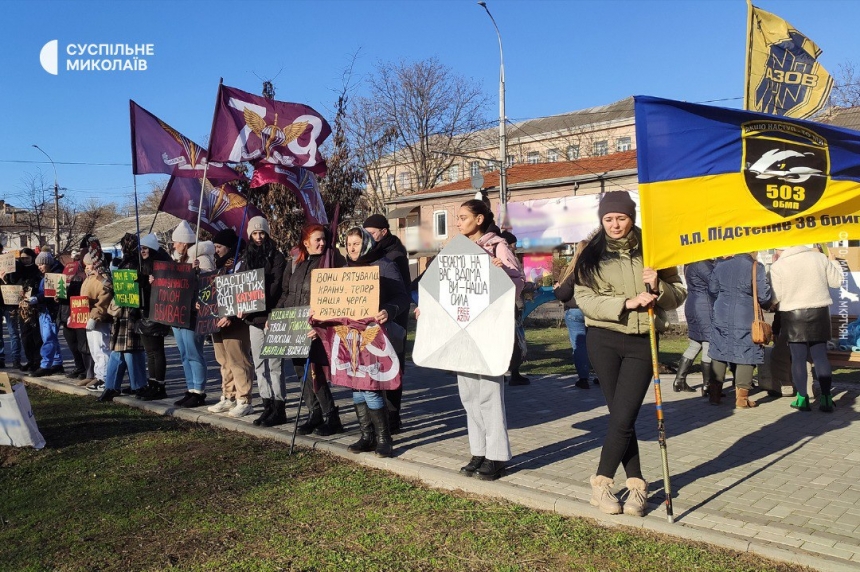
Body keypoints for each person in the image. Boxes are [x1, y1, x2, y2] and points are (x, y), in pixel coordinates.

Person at [573, 191, 686, 517]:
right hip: (604, 340)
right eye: (608, 219)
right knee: (622, 417)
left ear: (631, 217)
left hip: (642, 340)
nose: (615, 224)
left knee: (623, 416)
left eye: (620, 218)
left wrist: (659, 287)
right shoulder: (590, 254)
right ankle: (637, 486)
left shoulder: (655, 249)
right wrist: (626, 303)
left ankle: (601, 483)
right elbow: (585, 299)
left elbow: (678, 294)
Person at [416, 199, 524, 481]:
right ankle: (479, 451)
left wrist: (500, 271)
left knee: (489, 396)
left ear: (479, 219)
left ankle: (497, 456)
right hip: (462, 333)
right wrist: (425, 307)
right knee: (468, 396)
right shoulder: (454, 249)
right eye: (457, 217)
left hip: (488, 333)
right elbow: (435, 286)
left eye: (463, 217)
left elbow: (517, 282)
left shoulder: (497, 246)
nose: (458, 222)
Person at [340, 227, 411, 457]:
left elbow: (402, 297)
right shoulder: (343, 269)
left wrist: (388, 310)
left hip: (374, 335)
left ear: (367, 244)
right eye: (349, 244)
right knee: (356, 387)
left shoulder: (383, 265)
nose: (352, 248)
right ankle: (366, 436)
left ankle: (384, 439)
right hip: (350, 337)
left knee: (370, 388)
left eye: (356, 244)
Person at [276, 223, 343, 435]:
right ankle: (313, 413)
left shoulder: (330, 262)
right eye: (317, 240)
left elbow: (334, 299)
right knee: (301, 373)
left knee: (316, 373)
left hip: (316, 329)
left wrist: (321, 324)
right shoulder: (295, 263)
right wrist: (275, 316)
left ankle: (332, 417)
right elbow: (285, 293)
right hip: (294, 327)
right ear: (306, 242)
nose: (322, 243)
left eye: (324, 239)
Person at [769, 245, 842, 412]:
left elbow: (776, 296)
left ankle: (802, 399)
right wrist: (834, 262)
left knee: (798, 358)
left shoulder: (779, 265)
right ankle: (826, 398)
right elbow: (837, 282)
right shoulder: (819, 258)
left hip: (793, 315)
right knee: (820, 357)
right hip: (820, 312)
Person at [362, 214, 412, 432]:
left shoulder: (394, 256)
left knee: (392, 367)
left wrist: (390, 311)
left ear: (383, 232)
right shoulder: (373, 254)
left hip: (392, 320)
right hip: (372, 321)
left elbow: (401, 291)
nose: (369, 238)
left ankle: (393, 416)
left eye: (372, 234)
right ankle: (381, 416)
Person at [236, 216, 288, 425]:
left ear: (267, 233)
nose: (258, 237)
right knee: (259, 365)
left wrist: (267, 309)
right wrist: (239, 307)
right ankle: (267, 404)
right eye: (255, 233)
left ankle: (279, 407)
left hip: (271, 316)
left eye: (262, 233)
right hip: (252, 319)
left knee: (274, 365)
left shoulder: (276, 256)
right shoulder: (245, 257)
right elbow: (237, 286)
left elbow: (277, 286)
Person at [707, 253, 774, 408]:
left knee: (719, 350)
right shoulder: (756, 267)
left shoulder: (720, 265)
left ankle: (715, 395)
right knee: (746, 352)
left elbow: (712, 290)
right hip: (745, 314)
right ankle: (741, 399)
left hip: (721, 312)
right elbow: (764, 296)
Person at [207, 229, 255, 418]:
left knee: (238, 360)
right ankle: (229, 395)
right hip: (216, 319)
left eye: (219, 247)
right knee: (223, 360)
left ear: (229, 246)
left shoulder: (240, 262)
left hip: (234, 321)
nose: (216, 250)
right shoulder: (216, 264)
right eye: (215, 247)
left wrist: (231, 315)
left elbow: (242, 291)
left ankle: (244, 399)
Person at [96, 234, 148, 402]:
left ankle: (126, 386)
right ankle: (123, 386)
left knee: (127, 351)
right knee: (123, 351)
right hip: (125, 311)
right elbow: (115, 287)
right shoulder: (126, 263)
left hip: (131, 311)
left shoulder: (134, 264)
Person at [169, 220, 212, 408]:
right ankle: (190, 388)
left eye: (176, 242)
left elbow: (210, 282)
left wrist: (198, 271)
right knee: (184, 353)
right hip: (178, 312)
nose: (173, 245)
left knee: (194, 352)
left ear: (184, 243)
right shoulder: (177, 260)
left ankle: (199, 390)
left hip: (192, 314)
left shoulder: (201, 259)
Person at [135, 233, 172, 400]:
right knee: (150, 352)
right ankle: (153, 383)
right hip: (144, 313)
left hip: (157, 312)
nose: (142, 251)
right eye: (140, 248)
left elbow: (167, 287)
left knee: (156, 351)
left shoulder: (161, 264)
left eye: (145, 248)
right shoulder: (142, 264)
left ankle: (160, 385)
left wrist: (152, 283)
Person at [554, 240, 593, 389]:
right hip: (593, 311)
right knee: (595, 345)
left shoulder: (573, 270)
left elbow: (563, 294)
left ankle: (583, 378)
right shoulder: (598, 269)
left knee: (579, 345)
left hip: (575, 311)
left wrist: (557, 288)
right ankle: (601, 376)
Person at [673, 259, 715, 394]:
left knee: (695, 343)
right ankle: (707, 385)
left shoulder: (689, 263)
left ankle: (679, 381)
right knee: (709, 341)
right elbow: (714, 283)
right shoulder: (703, 264)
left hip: (693, 304)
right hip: (705, 307)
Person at [499, 230, 531, 386]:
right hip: (510, 304)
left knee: (515, 339)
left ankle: (511, 372)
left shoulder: (509, 258)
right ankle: (512, 372)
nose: (514, 247)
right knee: (513, 340)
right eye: (513, 244)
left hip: (513, 304)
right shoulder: (505, 259)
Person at [80, 249, 114, 392]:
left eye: (89, 264)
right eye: (86, 265)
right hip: (88, 317)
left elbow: (103, 299)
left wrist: (96, 316)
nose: (87, 267)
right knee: (94, 349)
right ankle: (99, 375)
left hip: (99, 319)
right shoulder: (89, 278)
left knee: (102, 348)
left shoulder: (102, 279)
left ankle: (105, 378)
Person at [58, 248, 91, 384]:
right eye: (75, 257)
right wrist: (58, 295)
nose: (76, 260)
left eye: (79, 257)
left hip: (80, 312)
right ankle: (79, 367)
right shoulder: (66, 273)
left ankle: (87, 370)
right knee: (71, 342)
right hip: (66, 312)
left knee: (82, 344)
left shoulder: (86, 275)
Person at [31, 251, 64, 377]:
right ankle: (57, 363)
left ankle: (45, 365)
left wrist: (37, 299)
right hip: (44, 310)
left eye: (42, 264)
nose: (39, 267)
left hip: (51, 311)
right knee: (50, 337)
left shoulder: (55, 275)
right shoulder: (43, 276)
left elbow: (50, 293)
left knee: (49, 337)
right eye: (38, 265)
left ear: (48, 263)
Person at [14, 248, 43, 373]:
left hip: (34, 306)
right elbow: (13, 283)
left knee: (36, 335)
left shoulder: (37, 270)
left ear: (32, 257)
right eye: (23, 258)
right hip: (22, 307)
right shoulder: (19, 269)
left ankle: (37, 361)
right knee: (25, 335)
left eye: (27, 257)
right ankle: (30, 359)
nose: (25, 260)